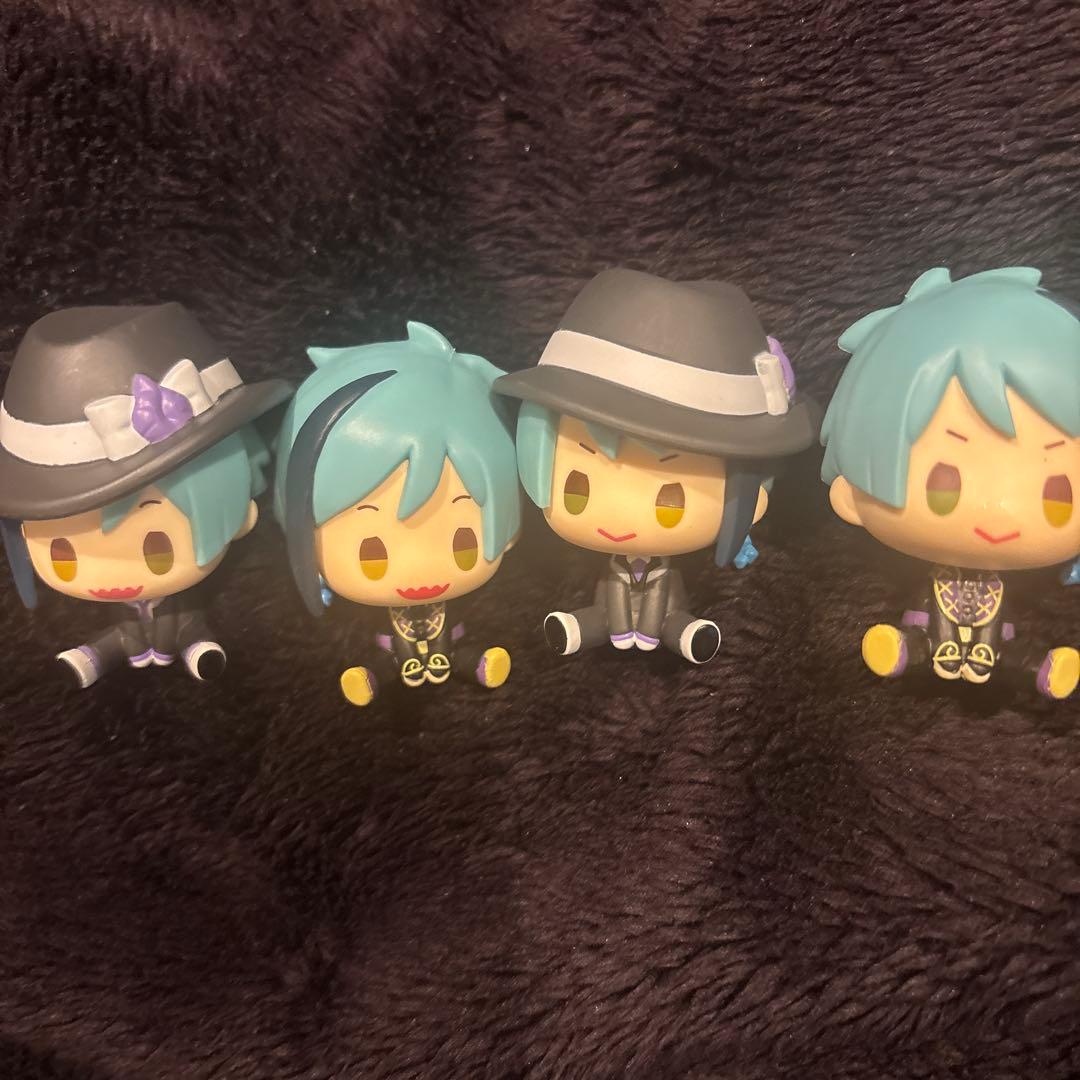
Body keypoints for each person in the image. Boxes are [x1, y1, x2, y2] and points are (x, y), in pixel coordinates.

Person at [495, 268, 821, 664]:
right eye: (577, 489)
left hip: (664, 610)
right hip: (610, 606)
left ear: (751, 499)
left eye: (670, 501)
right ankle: (586, 629)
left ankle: (680, 635)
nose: (618, 517)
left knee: (669, 616)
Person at [821, 267, 1080, 699]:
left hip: (997, 634)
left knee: (1006, 645)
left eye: (1058, 494)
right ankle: (904, 650)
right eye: (946, 485)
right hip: (929, 627)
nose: (1000, 514)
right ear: (851, 493)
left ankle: (1039, 668)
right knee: (922, 636)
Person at [0, 303, 289, 688]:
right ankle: (92, 658)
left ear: (239, 513)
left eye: (158, 549)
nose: (111, 579)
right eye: (63, 555)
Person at [274, 321, 520, 706]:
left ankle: (473, 665)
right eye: (372, 553)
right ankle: (374, 678)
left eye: (464, 543)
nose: (419, 568)